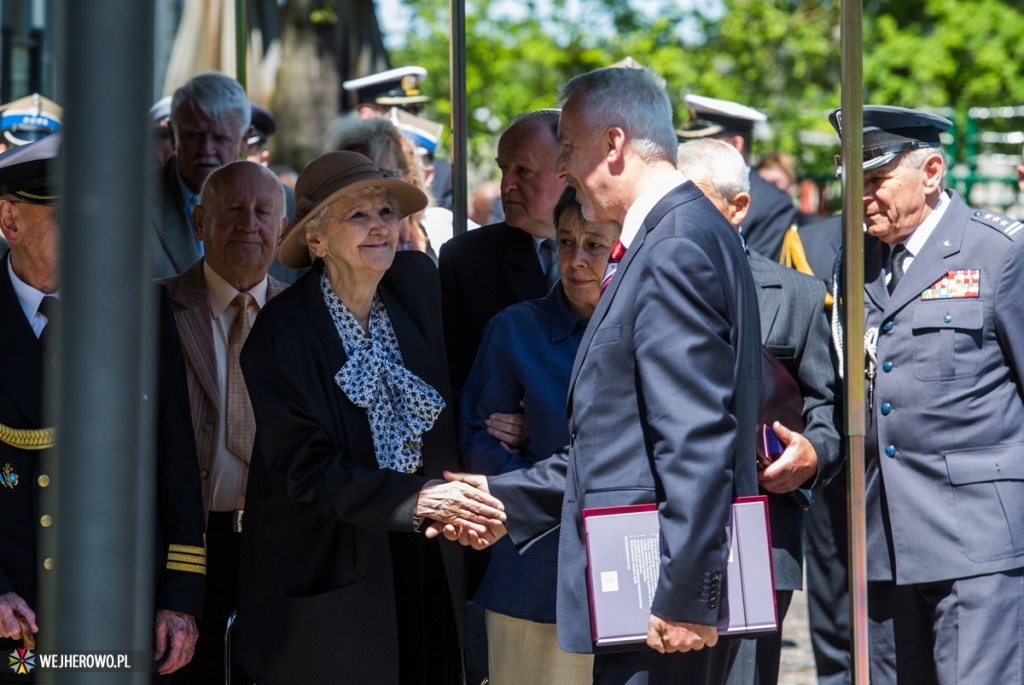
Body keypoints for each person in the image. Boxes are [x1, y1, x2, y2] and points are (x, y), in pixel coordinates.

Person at [444, 66, 763, 685]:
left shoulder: (673, 245)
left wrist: (687, 595)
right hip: (648, 585)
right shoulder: (690, 229)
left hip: (659, 600)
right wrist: (501, 497)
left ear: (613, 145)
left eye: (566, 147)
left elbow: (694, 437)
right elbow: (625, 440)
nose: (561, 168)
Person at [231, 150, 506, 685]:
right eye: (357, 216)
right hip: (334, 569)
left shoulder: (415, 285)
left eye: (385, 212)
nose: (380, 227)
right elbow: (306, 470)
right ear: (315, 239)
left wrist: (495, 429)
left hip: (427, 549)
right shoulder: (280, 336)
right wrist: (415, 500)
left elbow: (451, 396)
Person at [830, 105, 1024, 684]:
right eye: (853, 182)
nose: (862, 198)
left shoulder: (999, 253)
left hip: (977, 538)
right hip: (883, 534)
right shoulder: (857, 259)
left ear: (932, 172)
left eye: (876, 181)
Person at [0, 135, 206, 679]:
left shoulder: (138, 310)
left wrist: (180, 597)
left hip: (117, 605)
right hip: (16, 612)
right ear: (10, 222)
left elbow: (176, 464)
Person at [677, 138, 842, 685]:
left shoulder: (795, 294)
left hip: (761, 535)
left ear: (738, 207)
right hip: (659, 530)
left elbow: (829, 406)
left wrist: (812, 453)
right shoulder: (639, 284)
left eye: (695, 200)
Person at [459, 187, 616, 684]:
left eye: (593, 244)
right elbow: (478, 438)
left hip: (628, 570)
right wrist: (527, 501)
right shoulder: (516, 330)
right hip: (534, 575)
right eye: (565, 242)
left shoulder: (649, 328)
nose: (575, 259)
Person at [159, 161, 289, 684]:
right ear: (198, 221)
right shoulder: (153, 309)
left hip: (275, 550)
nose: (248, 224)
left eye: (263, 212)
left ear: (281, 228)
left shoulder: (301, 317)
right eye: (232, 209)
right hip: (180, 553)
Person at [438, 109, 565, 401]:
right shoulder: (467, 259)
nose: (505, 186)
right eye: (502, 168)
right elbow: (454, 382)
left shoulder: (618, 248)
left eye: (523, 170)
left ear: (567, 172)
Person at [151, 72, 253, 278]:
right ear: (172, 134)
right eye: (194, 135)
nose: (207, 149)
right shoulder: (128, 203)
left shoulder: (285, 207)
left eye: (220, 137)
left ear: (244, 139)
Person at [677, 94, 802, 260]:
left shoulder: (774, 205)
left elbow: (761, 275)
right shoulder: (679, 186)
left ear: (736, 145)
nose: (692, 152)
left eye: (704, 143)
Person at [323, 115, 440, 259]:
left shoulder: (441, 232)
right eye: (359, 178)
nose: (373, 187)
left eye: (384, 174)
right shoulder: (346, 252)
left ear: (409, 178)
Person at [342, 65, 454, 210]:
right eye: (402, 111)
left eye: (416, 110)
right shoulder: (339, 169)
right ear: (367, 114)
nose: (412, 119)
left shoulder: (442, 173)